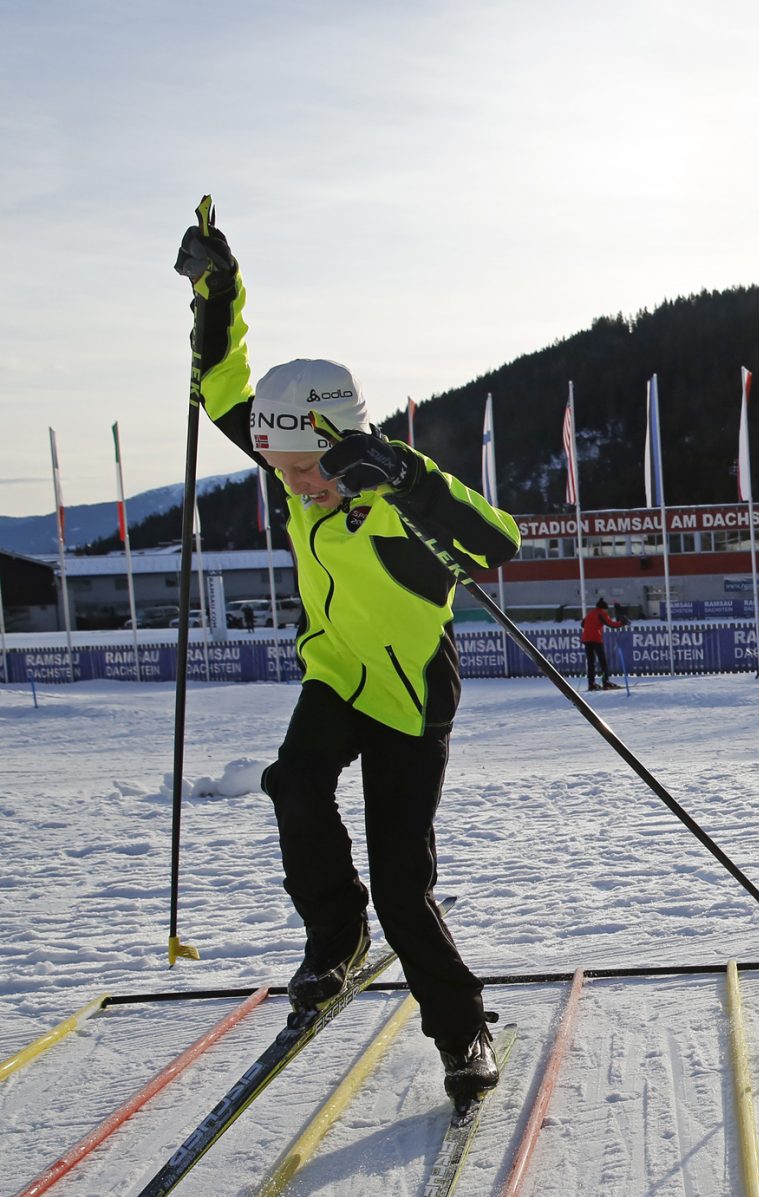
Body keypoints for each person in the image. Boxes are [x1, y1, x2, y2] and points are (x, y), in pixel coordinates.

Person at [176, 204, 521, 1100]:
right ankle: (337, 938)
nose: (293, 485)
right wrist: (219, 289)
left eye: (306, 471)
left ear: (343, 443)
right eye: (281, 468)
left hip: (410, 690)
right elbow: (220, 390)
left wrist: (410, 477)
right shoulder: (295, 465)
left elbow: (497, 541)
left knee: (406, 883)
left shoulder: (395, 498)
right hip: (335, 672)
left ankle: (462, 1027)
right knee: (293, 783)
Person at [581, 597, 627, 690]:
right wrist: (622, 623)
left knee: (591, 663)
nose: (606, 611)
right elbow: (611, 624)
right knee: (603, 662)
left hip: (586, 639)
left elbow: (582, 624)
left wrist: (591, 626)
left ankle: (591, 684)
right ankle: (605, 682)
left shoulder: (590, 613)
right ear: (603, 608)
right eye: (606, 609)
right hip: (596, 640)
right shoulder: (601, 613)